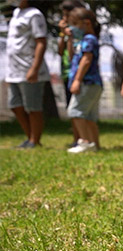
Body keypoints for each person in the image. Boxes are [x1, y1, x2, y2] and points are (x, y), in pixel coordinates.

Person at [5, 0, 50, 149]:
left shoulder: (35, 14)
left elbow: (41, 41)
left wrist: (34, 68)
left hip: (29, 68)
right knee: (15, 105)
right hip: (14, 70)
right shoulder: (16, 13)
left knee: (33, 106)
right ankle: (29, 137)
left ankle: (34, 141)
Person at [66, 7, 102, 153]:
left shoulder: (89, 39)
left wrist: (77, 80)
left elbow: (86, 60)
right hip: (93, 84)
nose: (72, 27)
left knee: (75, 111)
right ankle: (95, 145)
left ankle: (85, 143)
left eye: (74, 23)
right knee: (89, 117)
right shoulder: (83, 41)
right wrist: (69, 38)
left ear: (86, 23)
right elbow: (70, 56)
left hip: (87, 82)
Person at [58, 0, 86, 147]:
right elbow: (60, 51)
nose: (65, 18)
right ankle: (77, 139)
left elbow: (72, 55)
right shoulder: (67, 30)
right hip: (67, 72)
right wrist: (63, 34)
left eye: (67, 15)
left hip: (79, 73)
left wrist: (69, 35)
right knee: (71, 106)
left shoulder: (82, 30)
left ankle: (83, 139)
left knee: (78, 108)